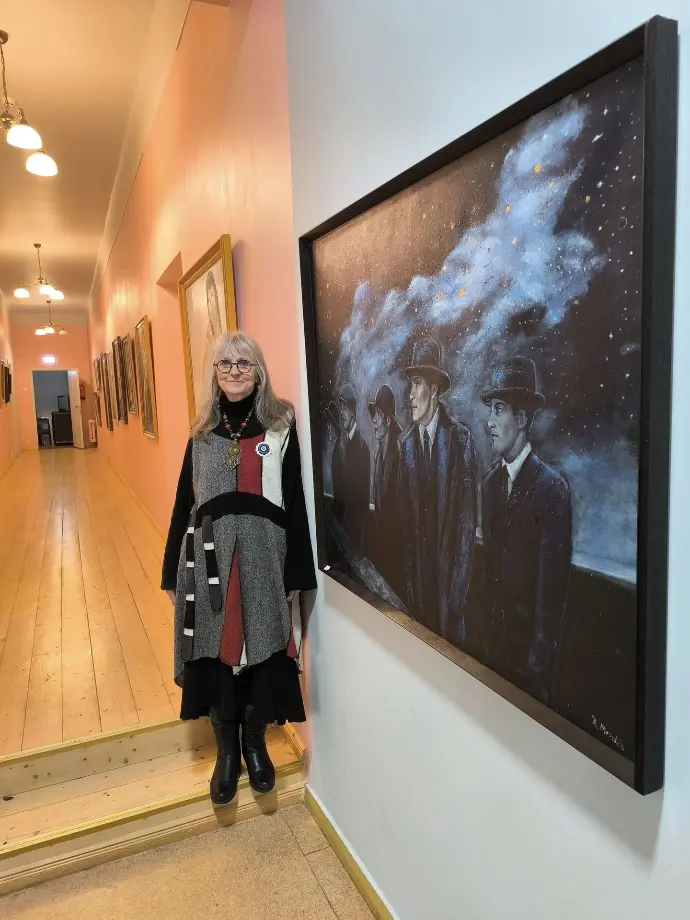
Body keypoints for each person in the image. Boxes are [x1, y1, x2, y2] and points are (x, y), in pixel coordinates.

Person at [161, 331, 316, 806]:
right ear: (214, 373)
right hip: (208, 561)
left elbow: (295, 501)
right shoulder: (201, 432)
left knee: (263, 651)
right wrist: (170, 570)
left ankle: (254, 744)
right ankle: (227, 752)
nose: (233, 371)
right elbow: (184, 503)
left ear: (258, 371)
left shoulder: (280, 426)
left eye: (244, 362)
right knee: (215, 654)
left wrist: (297, 573)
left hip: (264, 560)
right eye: (224, 363)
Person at [481, 356, 572, 704]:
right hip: (491, 656)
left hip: (529, 673)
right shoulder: (490, 484)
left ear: (521, 419)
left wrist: (536, 672)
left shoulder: (552, 489)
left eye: (498, 410)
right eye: (490, 410)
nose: (489, 422)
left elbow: (550, 599)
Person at [398, 337, 476, 644]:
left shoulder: (460, 440)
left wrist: (456, 599)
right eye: (410, 384)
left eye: (417, 384)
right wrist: (408, 582)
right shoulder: (405, 446)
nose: (409, 395)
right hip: (417, 591)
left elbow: (466, 527)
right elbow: (405, 523)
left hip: (448, 598)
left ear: (434, 389)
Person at [368, 384, 401, 591]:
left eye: (378, 414)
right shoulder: (380, 455)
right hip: (382, 551)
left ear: (388, 420)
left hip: (396, 557)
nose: (373, 420)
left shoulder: (399, 457)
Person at [332, 383, 370, 550]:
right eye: (340, 408)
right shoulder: (344, 443)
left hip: (355, 535)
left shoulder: (362, 445)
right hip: (344, 529)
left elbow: (362, 499)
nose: (341, 413)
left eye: (344, 408)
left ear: (352, 410)